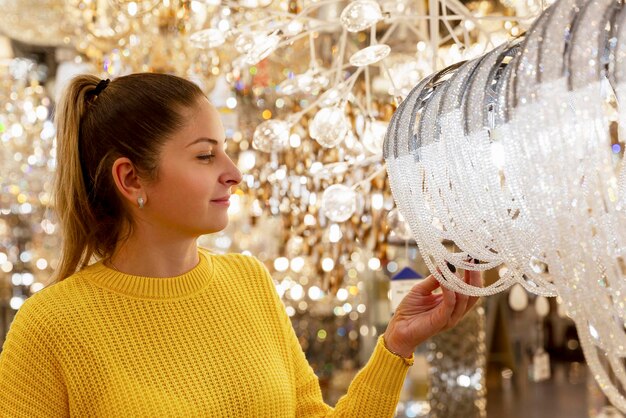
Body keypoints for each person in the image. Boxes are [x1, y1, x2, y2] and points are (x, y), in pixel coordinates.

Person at [0, 73, 481, 417]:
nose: (234, 173)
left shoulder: (248, 281)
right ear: (129, 178)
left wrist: (396, 346)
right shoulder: (49, 328)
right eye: (206, 155)